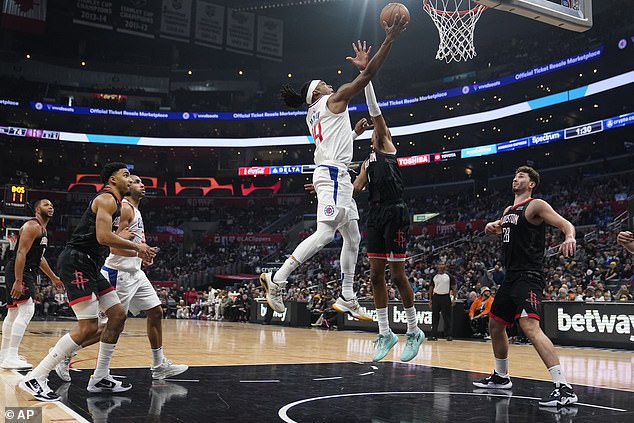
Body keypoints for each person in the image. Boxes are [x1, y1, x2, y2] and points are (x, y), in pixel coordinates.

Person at [261, 16, 408, 319]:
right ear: (317, 93)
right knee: (326, 234)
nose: (331, 84)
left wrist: (353, 134)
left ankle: (348, 295)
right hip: (331, 174)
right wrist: (388, 41)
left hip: (332, 172)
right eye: (325, 84)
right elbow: (365, 80)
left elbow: (329, 144)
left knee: (353, 237)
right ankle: (278, 278)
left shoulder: (314, 114)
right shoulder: (332, 99)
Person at [19, 162, 156, 402]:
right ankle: (36, 376)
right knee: (88, 326)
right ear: (112, 180)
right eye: (125, 176)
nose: (129, 179)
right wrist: (137, 246)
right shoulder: (107, 200)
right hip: (77, 261)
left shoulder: (115, 205)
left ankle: (101, 376)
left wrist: (121, 238)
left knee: (117, 315)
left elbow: (104, 236)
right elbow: (103, 237)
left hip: (90, 263)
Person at [54, 175, 188, 382]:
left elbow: (131, 243)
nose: (141, 185)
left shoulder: (136, 210)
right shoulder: (124, 208)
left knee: (155, 312)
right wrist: (138, 252)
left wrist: (143, 255)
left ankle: (159, 364)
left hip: (135, 272)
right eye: (135, 181)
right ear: (127, 187)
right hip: (119, 273)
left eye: (142, 182)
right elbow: (112, 245)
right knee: (108, 326)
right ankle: (65, 355)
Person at [473, 166, 578, 407]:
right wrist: (493, 226)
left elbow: (565, 224)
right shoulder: (509, 210)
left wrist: (570, 236)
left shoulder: (536, 205)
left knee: (529, 326)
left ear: (531, 184)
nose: (515, 178)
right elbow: (504, 225)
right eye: (515, 175)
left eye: (521, 176)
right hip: (511, 277)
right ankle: (501, 377)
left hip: (529, 275)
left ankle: (564, 387)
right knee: (495, 324)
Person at [345, 40, 424, 362]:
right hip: (375, 215)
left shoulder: (386, 144)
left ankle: (414, 329)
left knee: (397, 275)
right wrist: (324, 188)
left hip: (396, 212)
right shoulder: (366, 162)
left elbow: (376, 112)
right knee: (375, 275)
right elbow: (354, 190)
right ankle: (385, 332)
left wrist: (366, 74)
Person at [0, 199, 64, 369]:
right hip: (20, 270)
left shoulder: (42, 230)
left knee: (13, 313)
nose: (50, 206)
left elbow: (39, 258)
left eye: (52, 204)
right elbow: (20, 253)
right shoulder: (32, 226)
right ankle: (11, 355)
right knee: (27, 309)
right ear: (37, 209)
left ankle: (5, 355)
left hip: (22, 270)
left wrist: (53, 277)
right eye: (46, 204)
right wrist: (19, 280)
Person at [429, 262, 456, 341]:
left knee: (447, 317)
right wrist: (430, 299)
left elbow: (454, 288)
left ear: (445, 266)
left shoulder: (449, 276)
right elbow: (431, 288)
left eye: (442, 264)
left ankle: (448, 335)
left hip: (445, 297)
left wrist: (454, 298)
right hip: (436, 297)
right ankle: (433, 335)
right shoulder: (434, 276)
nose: (441, 266)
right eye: (440, 264)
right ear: (437, 266)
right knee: (435, 317)